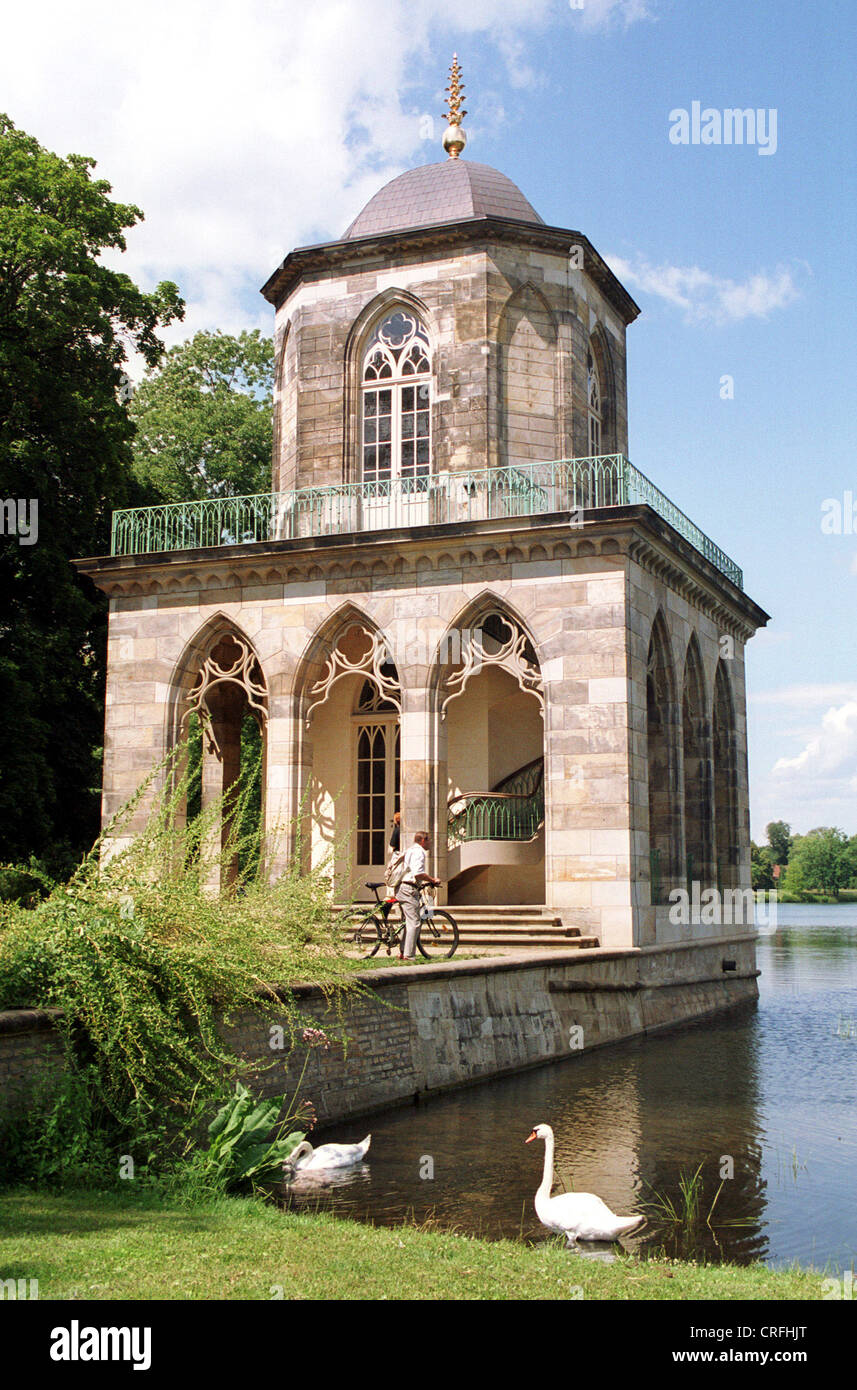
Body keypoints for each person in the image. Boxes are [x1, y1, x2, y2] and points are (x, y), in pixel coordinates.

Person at [397, 831, 440, 961]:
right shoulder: (419, 852)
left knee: (407, 921)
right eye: (429, 840)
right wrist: (433, 880)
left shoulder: (410, 850)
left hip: (403, 887)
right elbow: (418, 873)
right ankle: (409, 955)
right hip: (408, 889)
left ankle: (403, 951)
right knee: (415, 922)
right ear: (423, 840)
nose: (431, 843)